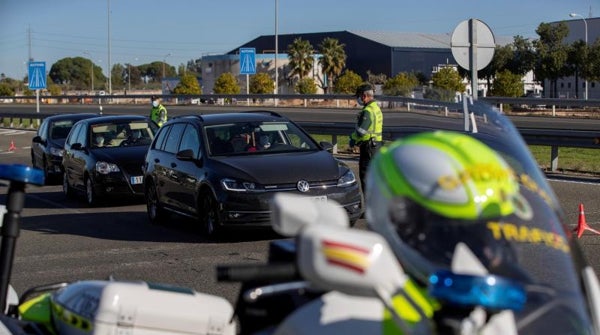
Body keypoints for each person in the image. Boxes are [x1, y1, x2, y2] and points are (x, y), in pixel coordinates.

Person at [349, 83, 383, 193]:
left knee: (365, 178)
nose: (358, 99)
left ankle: (369, 208)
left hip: (368, 148)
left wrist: (353, 139)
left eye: (359, 96)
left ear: (364, 96)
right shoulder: (376, 108)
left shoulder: (367, 111)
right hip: (376, 146)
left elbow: (361, 132)